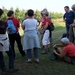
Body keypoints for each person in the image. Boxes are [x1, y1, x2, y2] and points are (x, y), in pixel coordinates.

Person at [0, 8, 18, 75]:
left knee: (0, 56)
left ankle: (3, 70)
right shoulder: (4, 23)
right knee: (10, 54)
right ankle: (11, 67)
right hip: (4, 40)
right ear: (1, 15)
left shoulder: (4, 22)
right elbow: (11, 29)